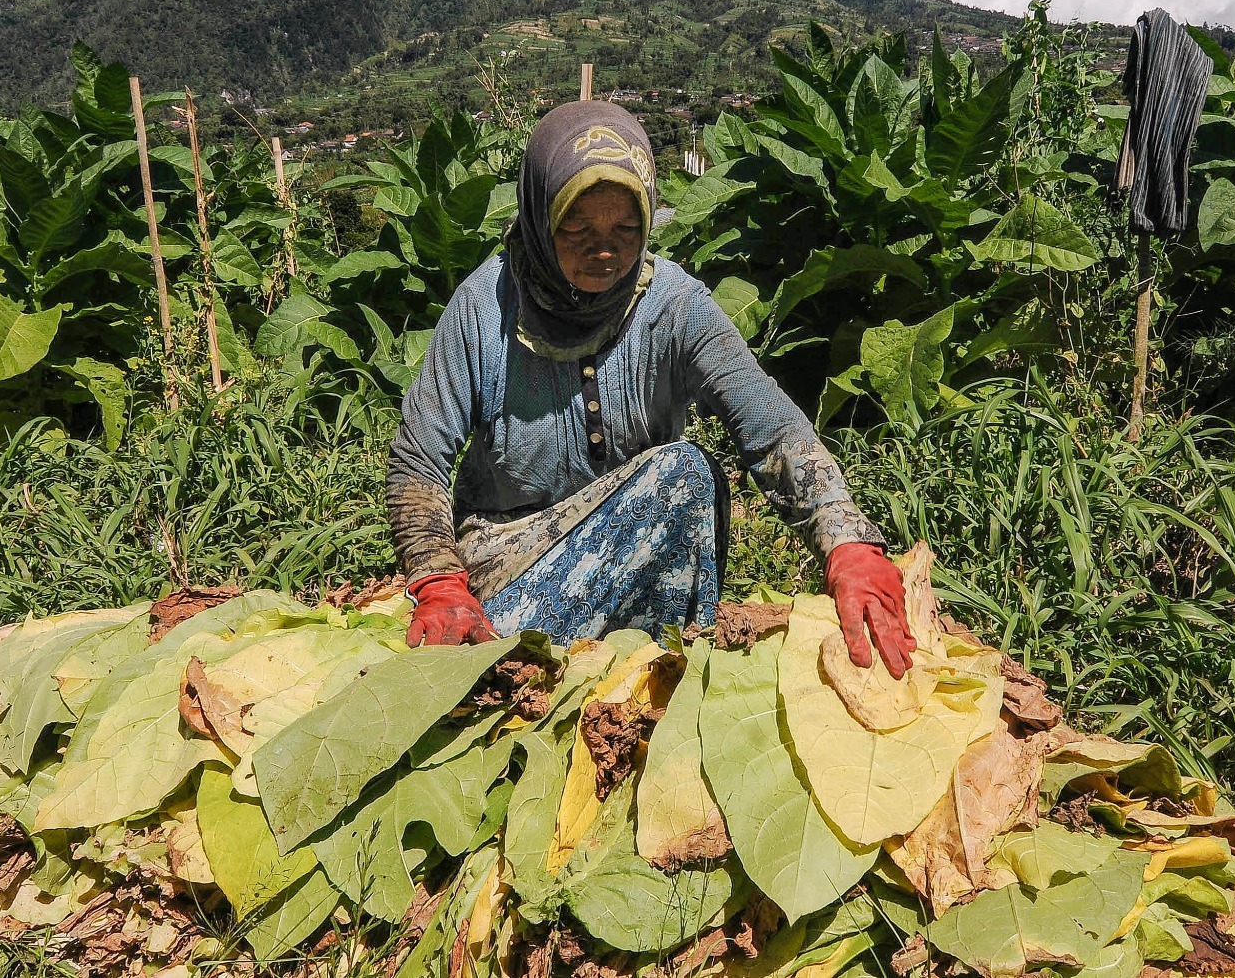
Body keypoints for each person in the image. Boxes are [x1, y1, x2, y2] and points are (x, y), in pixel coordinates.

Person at [385, 101, 914, 677]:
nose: (603, 250)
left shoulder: (675, 307)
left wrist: (847, 542)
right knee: (678, 476)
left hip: (635, 546)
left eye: (626, 228)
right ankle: (519, 667)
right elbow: (418, 462)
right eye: (577, 228)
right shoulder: (483, 309)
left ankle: (650, 679)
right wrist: (439, 581)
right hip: (507, 566)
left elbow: (770, 425)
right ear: (539, 217)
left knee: (689, 477)